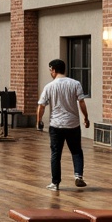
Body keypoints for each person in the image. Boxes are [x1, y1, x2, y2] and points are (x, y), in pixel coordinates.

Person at [36, 58, 90, 191]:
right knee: (76, 151)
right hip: (73, 124)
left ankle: (55, 183)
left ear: (53, 70)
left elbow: (41, 106)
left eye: (50, 70)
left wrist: (39, 121)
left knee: (56, 154)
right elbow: (81, 102)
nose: (50, 72)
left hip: (56, 125)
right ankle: (78, 176)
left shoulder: (49, 86)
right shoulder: (75, 83)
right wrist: (86, 118)